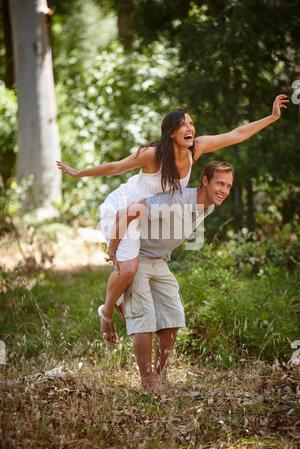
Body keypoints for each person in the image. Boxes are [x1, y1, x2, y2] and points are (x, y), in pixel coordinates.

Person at [56, 94, 288, 343]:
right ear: (170, 133)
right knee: (129, 269)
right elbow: (115, 167)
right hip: (123, 209)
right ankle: (106, 313)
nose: (190, 128)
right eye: (183, 125)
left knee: (137, 267)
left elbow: (236, 134)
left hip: (148, 214)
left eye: (191, 123)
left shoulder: (195, 149)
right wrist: (80, 173)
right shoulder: (152, 155)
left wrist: (272, 117)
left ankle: (128, 304)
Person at [107, 161, 233, 390]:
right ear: (205, 180)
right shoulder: (176, 200)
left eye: (228, 186)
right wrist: (113, 249)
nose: (224, 190)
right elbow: (128, 212)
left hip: (159, 261)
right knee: (144, 320)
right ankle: (147, 382)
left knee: (173, 317)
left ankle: (160, 375)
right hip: (138, 255)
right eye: (220, 183)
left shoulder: (208, 206)